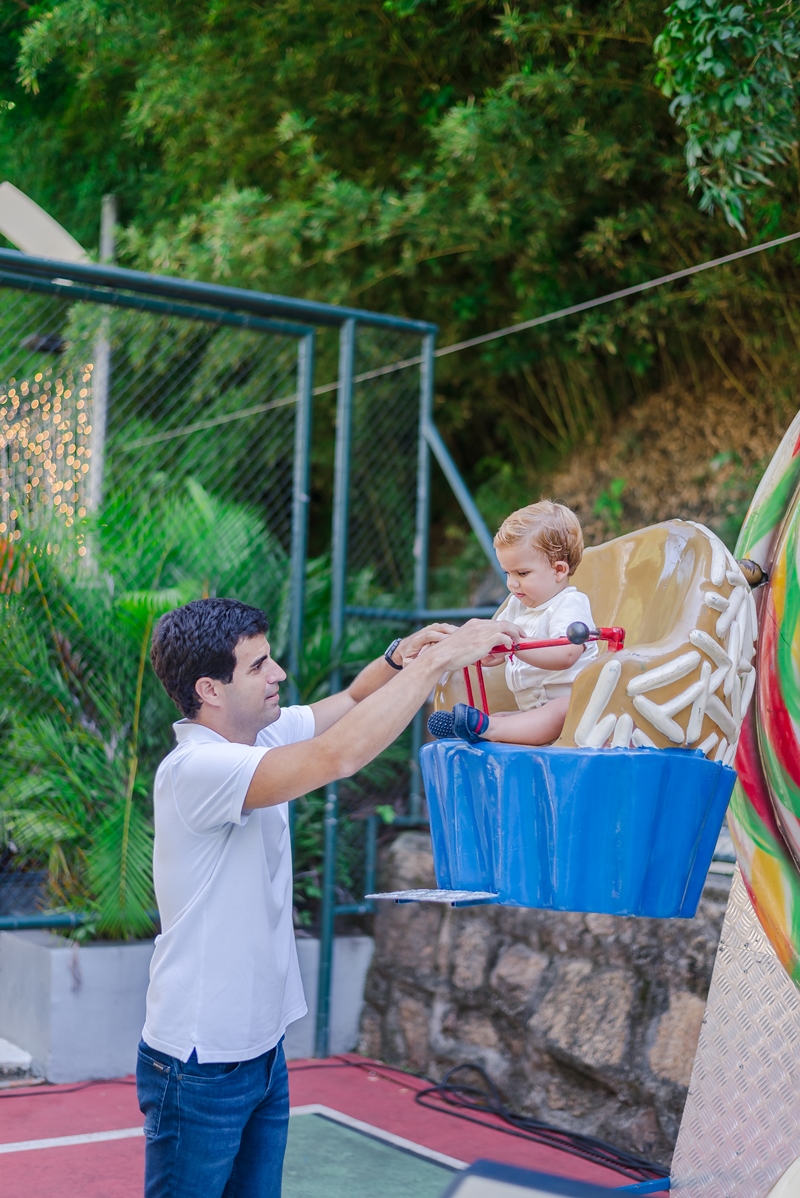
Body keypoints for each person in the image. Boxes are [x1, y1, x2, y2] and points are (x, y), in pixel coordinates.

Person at [136, 596, 515, 1198]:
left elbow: (356, 704)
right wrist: (441, 662)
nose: (278, 674)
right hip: (199, 1059)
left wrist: (402, 655)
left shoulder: (264, 734)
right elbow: (340, 755)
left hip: (261, 1049)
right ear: (209, 689)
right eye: (258, 665)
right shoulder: (196, 769)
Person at [428, 500, 597, 746]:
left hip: (576, 707)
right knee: (502, 718)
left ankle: (486, 728)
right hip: (534, 708)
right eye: (508, 573)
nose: (512, 584)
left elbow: (567, 653)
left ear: (559, 570)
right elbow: (503, 645)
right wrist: (492, 652)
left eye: (522, 573)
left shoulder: (569, 603)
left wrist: (517, 645)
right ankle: (472, 728)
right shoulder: (517, 605)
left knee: (560, 709)